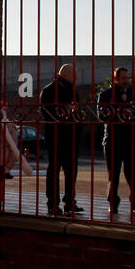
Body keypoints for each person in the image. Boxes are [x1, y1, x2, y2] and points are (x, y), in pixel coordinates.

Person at [98, 67, 135, 215]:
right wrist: (119, 113)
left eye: (128, 78)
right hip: (113, 138)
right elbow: (102, 115)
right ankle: (113, 204)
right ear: (115, 79)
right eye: (123, 78)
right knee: (113, 174)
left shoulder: (133, 93)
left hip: (131, 139)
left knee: (134, 173)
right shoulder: (105, 94)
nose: (126, 81)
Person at [40, 63, 82, 216]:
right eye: (74, 74)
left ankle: (69, 202)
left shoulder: (72, 90)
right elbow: (48, 114)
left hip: (69, 136)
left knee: (70, 171)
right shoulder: (49, 91)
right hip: (57, 136)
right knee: (55, 170)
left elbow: (78, 112)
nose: (76, 77)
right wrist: (67, 110)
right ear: (67, 74)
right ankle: (53, 204)